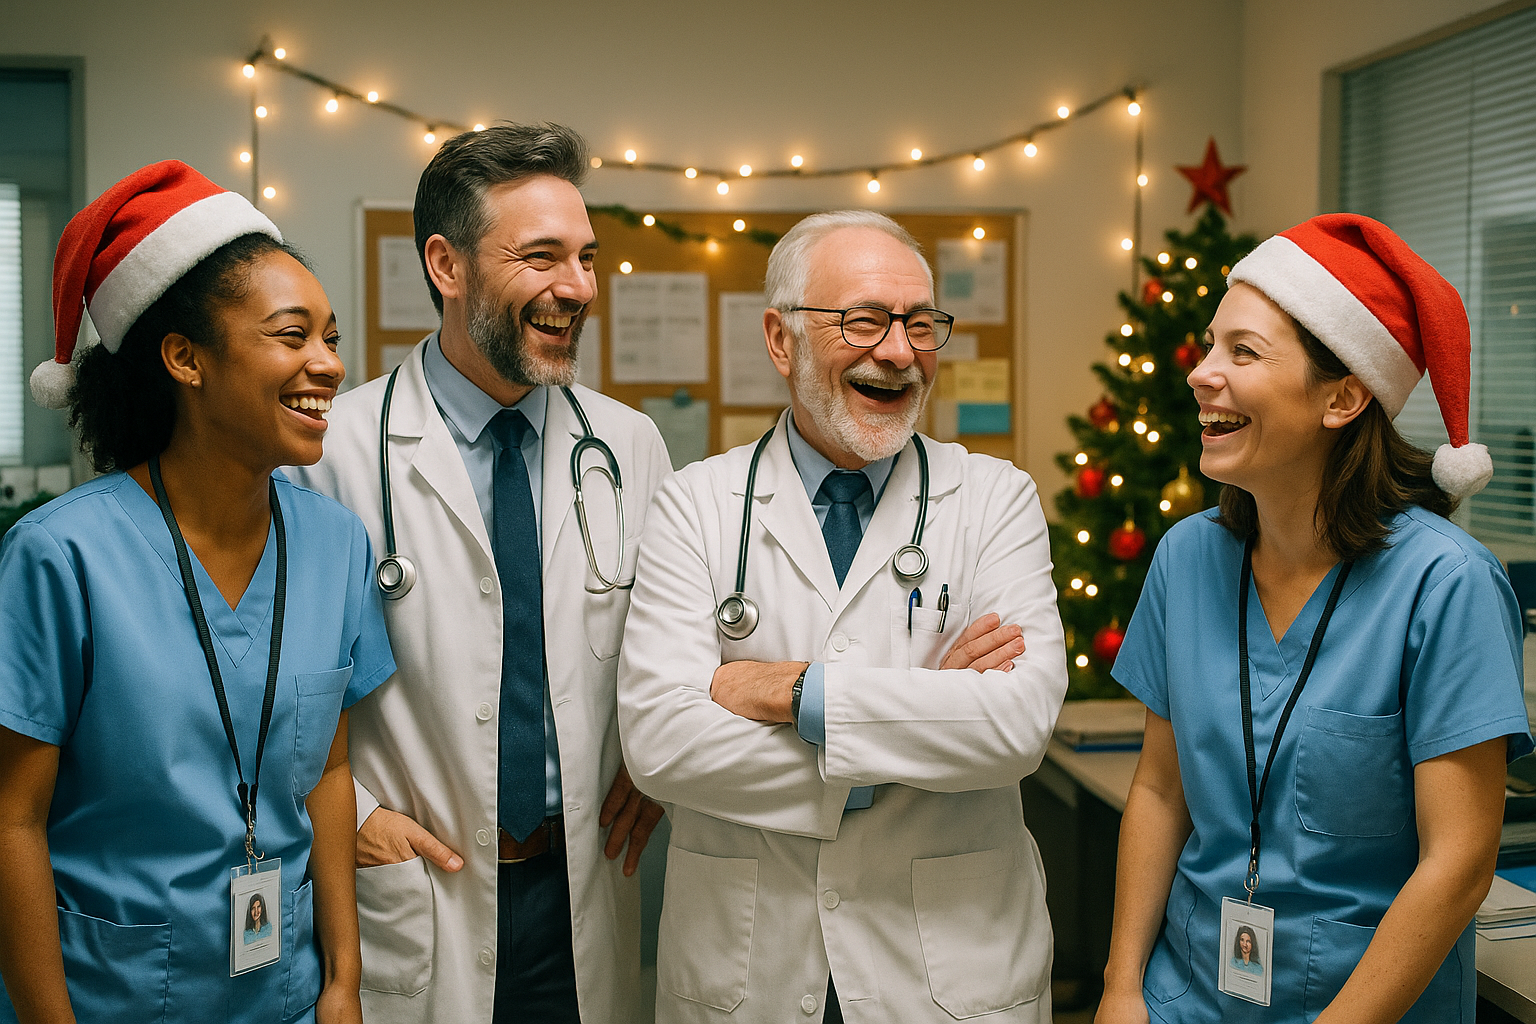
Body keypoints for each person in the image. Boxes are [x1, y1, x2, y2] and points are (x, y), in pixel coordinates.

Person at [617, 210, 1069, 1023]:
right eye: (862, 320)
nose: (898, 352)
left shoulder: (996, 499)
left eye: (921, 324)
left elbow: (1016, 727)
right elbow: (658, 741)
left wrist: (794, 695)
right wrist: (914, 726)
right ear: (780, 338)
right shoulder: (696, 505)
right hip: (749, 964)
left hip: (948, 968)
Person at [1096, 214, 1532, 1024]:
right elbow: (1160, 790)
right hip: (1186, 994)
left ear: (1343, 396)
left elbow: (1459, 861)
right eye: (1209, 345)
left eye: (1243, 352)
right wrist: (1123, 987)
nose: (1200, 374)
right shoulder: (1188, 559)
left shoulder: (1446, 585)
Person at [288, 123, 670, 1024]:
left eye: (585, 258)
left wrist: (657, 762)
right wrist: (358, 813)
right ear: (446, 265)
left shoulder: (627, 447)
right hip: (416, 886)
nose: (577, 288)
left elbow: (668, 645)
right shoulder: (333, 453)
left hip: (581, 888)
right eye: (541, 257)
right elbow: (269, 684)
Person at [0, 161, 395, 1023]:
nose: (327, 365)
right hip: (113, 997)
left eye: (331, 338)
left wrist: (343, 982)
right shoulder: (60, 556)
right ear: (185, 359)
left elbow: (328, 771)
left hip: (286, 993)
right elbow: (11, 822)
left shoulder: (335, 546)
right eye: (293, 336)